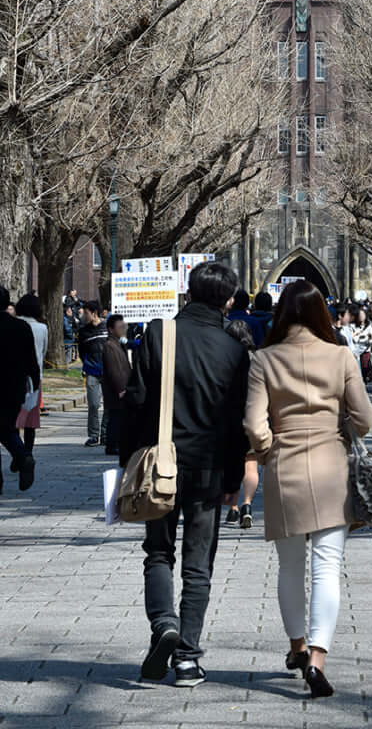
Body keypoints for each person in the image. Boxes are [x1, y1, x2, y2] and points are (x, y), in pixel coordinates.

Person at [120, 261, 250, 687]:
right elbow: (237, 422)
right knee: (199, 563)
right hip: (209, 468)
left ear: (188, 291)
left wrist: (127, 463)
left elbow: (136, 400)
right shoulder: (234, 349)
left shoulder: (160, 333)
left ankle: (164, 623)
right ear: (228, 301)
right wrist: (234, 480)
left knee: (158, 551)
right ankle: (188, 659)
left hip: (161, 464)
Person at [244, 281, 372, 699]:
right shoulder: (341, 356)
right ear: (322, 314)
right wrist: (341, 430)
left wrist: (268, 450)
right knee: (327, 567)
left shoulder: (264, 359)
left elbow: (253, 424)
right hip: (331, 466)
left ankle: (297, 647)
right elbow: (365, 418)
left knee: (289, 567)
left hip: (285, 467)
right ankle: (317, 660)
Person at [0, 285, 39, 492]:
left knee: (4, 430)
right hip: (15, 388)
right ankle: (23, 457)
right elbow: (32, 359)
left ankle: (23, 457)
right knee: (5, 427)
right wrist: (35, 381)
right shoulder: (21, 327)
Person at [223, 317, 259, 528]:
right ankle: (247, 504)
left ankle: (233, 508)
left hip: (229, 418)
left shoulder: (223, 357)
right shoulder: (257, 359)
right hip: (251, 416)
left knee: (231, 463)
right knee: (251, 464)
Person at [15, 294, 48, 456]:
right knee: (31, 421)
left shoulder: (15, 324)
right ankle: (28, 452)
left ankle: (17, 452)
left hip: (15, 377)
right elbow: (44, 351)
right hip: (35, 377)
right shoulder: (42, 328)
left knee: (14, 419)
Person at [78, 301, 108, 447]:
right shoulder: (83, 332)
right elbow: (81, 352)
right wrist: (87, 365)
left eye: (86, 313)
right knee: (93, 405)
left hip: (109, 372)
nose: (84, 315)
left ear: (94, 313)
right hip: (92, 372)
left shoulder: (108, 328)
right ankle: (93, 435)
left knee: (109, 405)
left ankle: (106, 434)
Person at [102, 314, 132, 456]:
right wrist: (120, 388)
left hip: (122, 387)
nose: (123, 329)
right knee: (115, 417)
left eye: (124, 326)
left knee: (119, 417)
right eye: (120, 327)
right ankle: (112, 445)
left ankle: (116, 443)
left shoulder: (118, 344)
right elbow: (113, 370)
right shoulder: (109, 346)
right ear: (111, 329)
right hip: (115, 389)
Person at [352, 307, 372, 380]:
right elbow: (353, 339)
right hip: (355, 352)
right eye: (360, 315)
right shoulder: (353, 326)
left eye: (363, 315)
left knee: (364, 369)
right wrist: (359, 336)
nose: (361, 317)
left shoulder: (369, 326)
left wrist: (369, 338)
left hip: (365, 351)